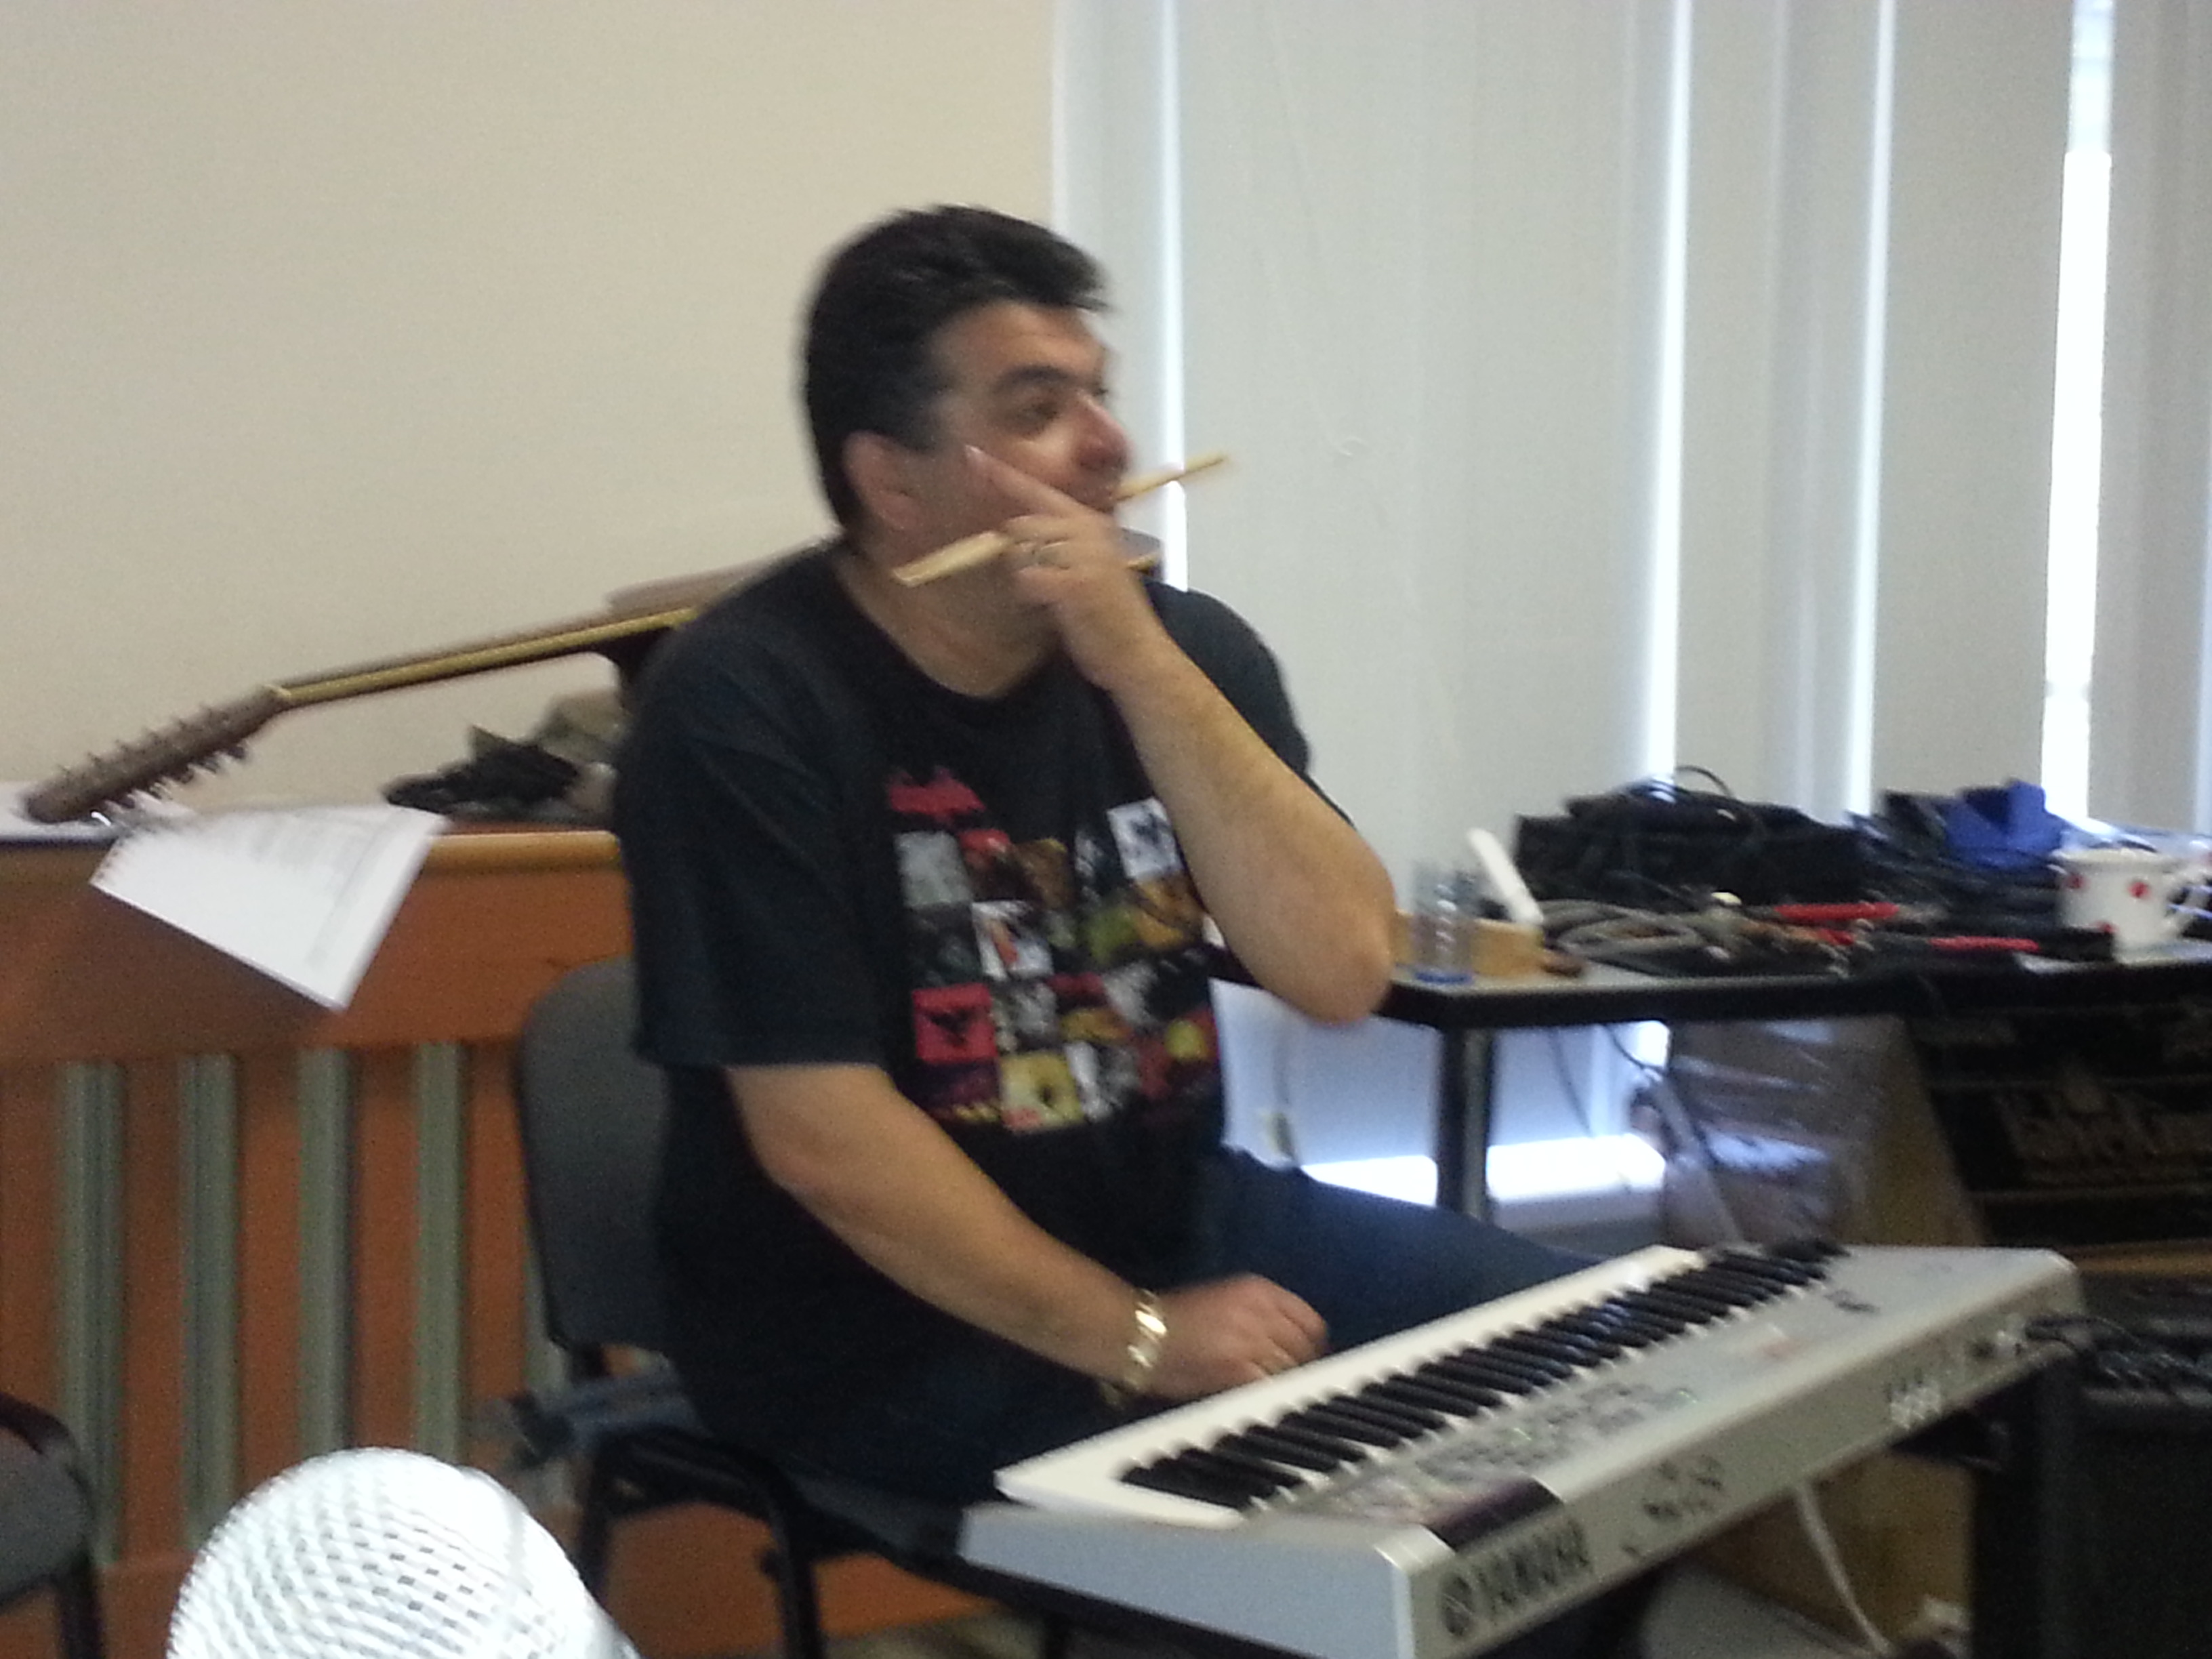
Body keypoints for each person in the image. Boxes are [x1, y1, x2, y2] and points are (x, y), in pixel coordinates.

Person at [614, 207, 1631, 1654]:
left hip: (1179, 1222)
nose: (1105, 443)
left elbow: (1339, 970)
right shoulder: (742, 701)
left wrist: (1142, 665)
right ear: (891, 481)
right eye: (1038, 410)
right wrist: (1138, 1337)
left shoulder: (1182, 653)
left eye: (1098, 394)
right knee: (1342, 1522)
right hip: (861, 1324)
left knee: (1610, 1398)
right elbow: (825, 1141)